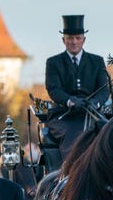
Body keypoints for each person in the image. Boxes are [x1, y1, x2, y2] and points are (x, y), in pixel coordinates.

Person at [44, 15, 109, 159]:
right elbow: (53, 89)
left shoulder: (97, 61)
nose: (74, 42)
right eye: (70, 38)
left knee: (108, 132)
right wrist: (70, 101)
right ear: (63, 40)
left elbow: (104, 90)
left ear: (83, 40)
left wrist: (95, 103)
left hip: (92, 113)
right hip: (64, 115)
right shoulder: (53, 62)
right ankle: (71, 172)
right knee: (72, 134)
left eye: (78, 38)